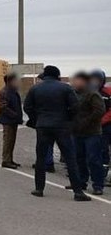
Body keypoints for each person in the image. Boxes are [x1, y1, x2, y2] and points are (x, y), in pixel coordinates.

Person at [23, 65, 90, 201]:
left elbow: (27, 107)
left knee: (41, 158)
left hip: (42, 126)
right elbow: (75, 107)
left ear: (45, 75)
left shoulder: (35, 88)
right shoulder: (65, 88)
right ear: (57, 75)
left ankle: (39, 189)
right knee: (70, 158)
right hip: (62, 126)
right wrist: (69, 120)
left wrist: (37, 119)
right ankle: (78, 192)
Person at [70, 72, 105, 195]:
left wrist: (85, 122)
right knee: (78, 158)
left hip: (92, 132)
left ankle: (98, 184)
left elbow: (99, 110)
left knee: (93, 159)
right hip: (76, 132)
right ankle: (81, 181)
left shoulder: (92, 94)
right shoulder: (73, 94)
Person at [0, 73, 23, 168]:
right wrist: (14, 115)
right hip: (8, 120)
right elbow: (3, 106)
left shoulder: (12, 91)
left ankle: (10, 159)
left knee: (12, 141)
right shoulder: (5, 91)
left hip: (13, 120)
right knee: (8, 141)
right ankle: (6, 160)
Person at [89, 70, 110, 174]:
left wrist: (102, 120)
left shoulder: (107, 92)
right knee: (91, 149)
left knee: (103, 149)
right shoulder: (87, 92)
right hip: (90, 126)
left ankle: (104, 171)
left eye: (97, 79)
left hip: (106, 126)